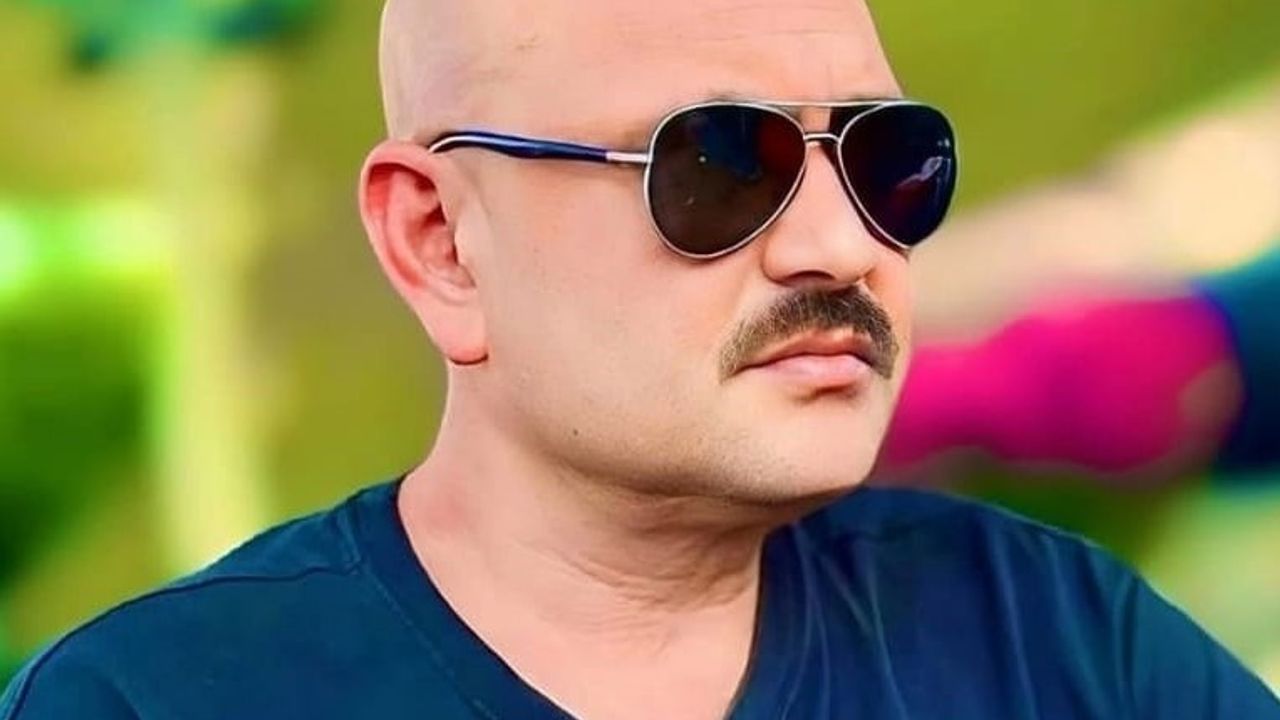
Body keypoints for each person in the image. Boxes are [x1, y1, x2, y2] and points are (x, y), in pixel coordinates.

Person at [3, 0, 1277, 718]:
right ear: (440, 243)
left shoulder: (1053, 636)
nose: (841, 244)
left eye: (885, 159)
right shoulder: (156, 700)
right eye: (716, 164)